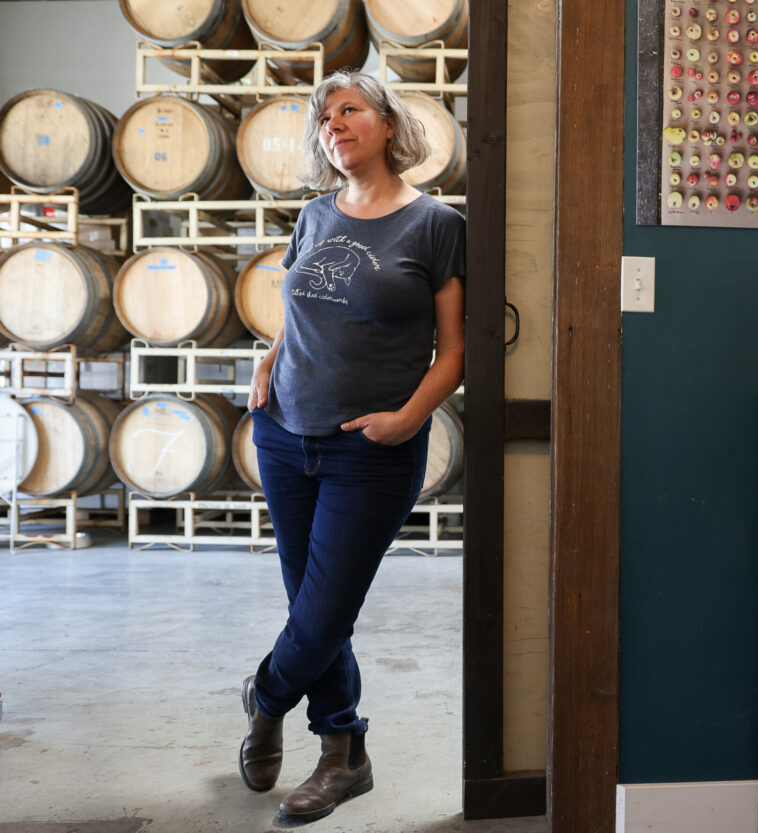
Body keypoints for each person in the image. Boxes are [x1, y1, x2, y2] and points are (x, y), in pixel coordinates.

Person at [238, 69, 465, 825]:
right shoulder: (313, 214)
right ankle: (344, 751)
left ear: (389, 125)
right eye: (323, 117)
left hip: (370, 450)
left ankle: (266, 696)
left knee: (323, 610)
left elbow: (456, 351)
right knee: (314, 609)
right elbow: (299, 309)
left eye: (349, 110)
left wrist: (407, 421)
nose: (333, 125)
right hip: (283, 434)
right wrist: (270, 353)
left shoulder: (436, 224)